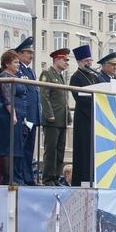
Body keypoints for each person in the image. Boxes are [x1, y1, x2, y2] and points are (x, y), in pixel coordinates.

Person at [0, 50, 27, 185]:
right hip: (8, 115)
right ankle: (8, 179)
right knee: (7, 147)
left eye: (18, 62)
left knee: (15, 147)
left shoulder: (15, 76)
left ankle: (13, 177)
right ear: (7, 63)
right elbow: (7, 98)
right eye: (15, 62)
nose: (18, 65)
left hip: (18, 114)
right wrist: (13, 114)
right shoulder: (4, 76)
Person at [69, 45, 100, 186]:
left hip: (95, 120)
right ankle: (82, 180)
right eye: (86, 61)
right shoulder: (75, 78)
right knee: (84, 151)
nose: (89, 63)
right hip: (84, 119)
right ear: (80, 62)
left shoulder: (94, 77)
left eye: (90, 60)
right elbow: (81, 99)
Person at [39, 48, 71, 186]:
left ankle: (56, 177)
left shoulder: (61, 76)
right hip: (52, 119)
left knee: (60, 150)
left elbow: (64, 99)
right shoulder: (47, 74)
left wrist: (68, 117)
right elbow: (44, 96)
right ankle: (48, 178)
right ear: (57, 59)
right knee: (51, 150)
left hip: (61, 119)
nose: (66, 63)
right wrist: (49, 115)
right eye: (64, 60)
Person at [14, 36, 40, 185]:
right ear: (19, 54)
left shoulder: (30, 71)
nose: (30, 56)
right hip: (24, 116)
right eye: (27, 53)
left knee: (29, 149)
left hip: (32, 116)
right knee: (22, 148)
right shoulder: (19, 70)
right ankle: (22, 177)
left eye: (31, 53)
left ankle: (28, 176)